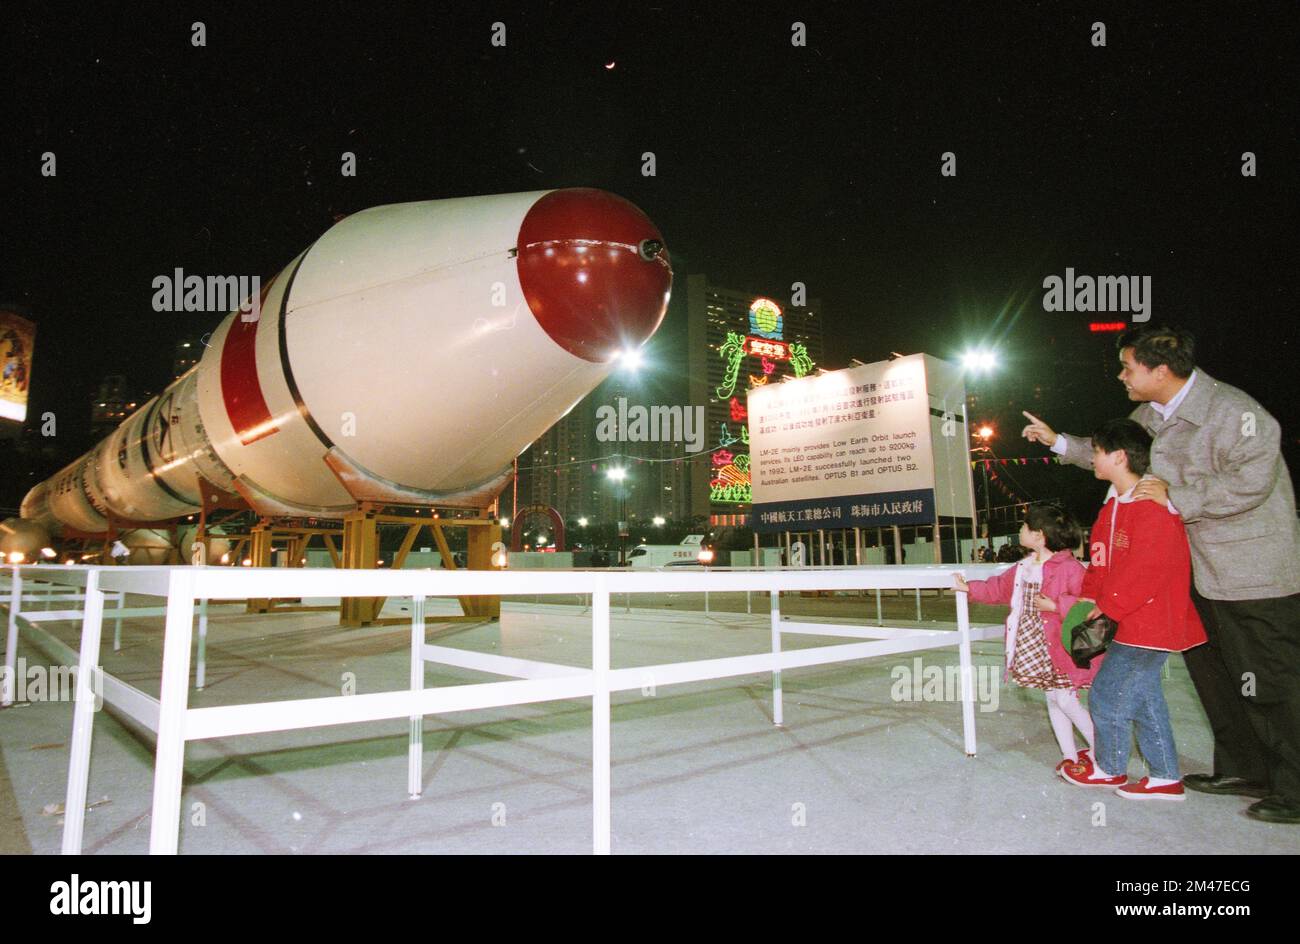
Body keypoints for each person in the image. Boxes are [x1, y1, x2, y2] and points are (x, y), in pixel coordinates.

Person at [1023, 325, 1300, 822]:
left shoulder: (1234, 412)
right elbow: (1116, 452)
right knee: (1216, 676)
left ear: (1161, 370)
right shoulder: (1150, 415)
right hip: (1193, 572)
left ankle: (1296, 788)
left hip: (1251, 571)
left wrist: (1176, 498)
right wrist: (1059, 442)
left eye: (1128, 367)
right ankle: (1243, 768)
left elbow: (1254, 480)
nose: (1121, 375)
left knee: (1272, 681)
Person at [1058, 420, 1207, 799]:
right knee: (1143, 697)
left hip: (1150, 623)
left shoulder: (1152, 509)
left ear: (1119, 456)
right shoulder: (1112, 508)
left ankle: (1110, 768)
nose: (1092, 458)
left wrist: (1110, 605)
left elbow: (1149, 571)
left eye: (1097, 451)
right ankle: (1165, 777)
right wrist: (1090, 598)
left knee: (1107, 694)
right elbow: (1101, 562)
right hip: (1126, 621)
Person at [955, 505, 1095, 776]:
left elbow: (1086, 604)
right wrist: (968, 587)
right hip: (1038, 646)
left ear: (1039, 535)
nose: (1020, 530)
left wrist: (1056, 605)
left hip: (1060, 647)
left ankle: (1102, 750)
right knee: (1054, 700)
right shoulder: (1024, 567)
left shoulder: (1070, 568)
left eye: (1025, 526)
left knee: (1066, 700)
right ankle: (1070, 755)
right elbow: (998, 588)